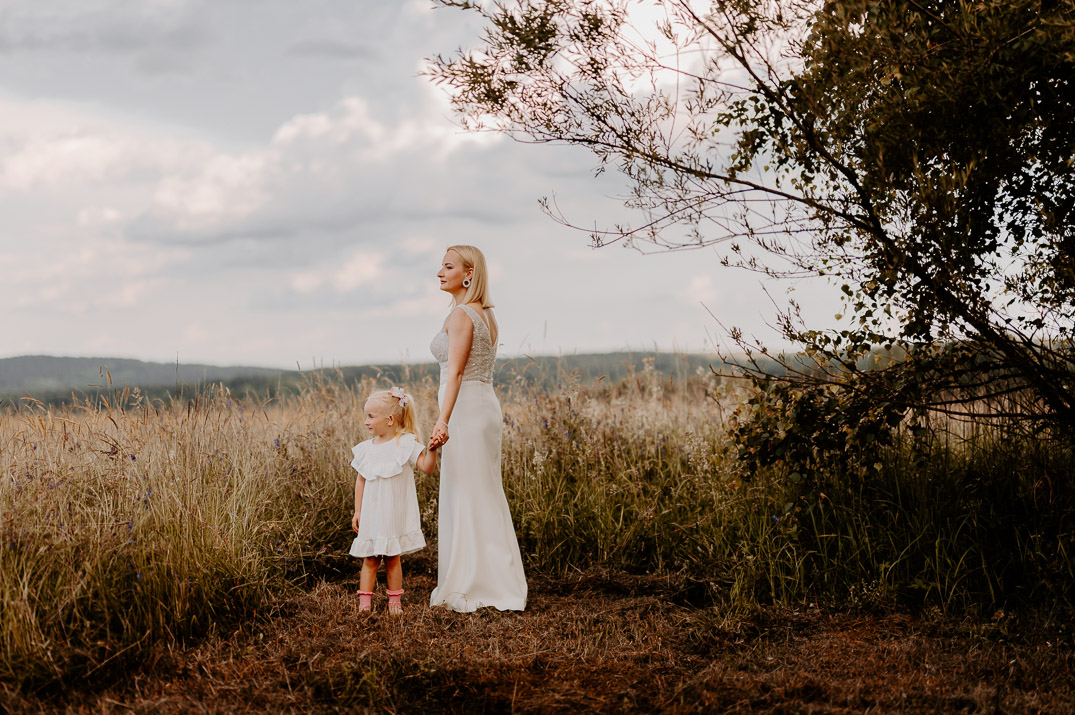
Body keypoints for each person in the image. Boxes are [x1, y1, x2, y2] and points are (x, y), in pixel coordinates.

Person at [428, 245, 527, 612]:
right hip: (483, 404)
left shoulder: (461, 315)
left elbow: (455, 372)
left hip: (465, 410)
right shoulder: (486, 315)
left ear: (468, 273)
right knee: (482, 491)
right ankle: (495, 578)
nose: (440, 272)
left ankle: (473, 581)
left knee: (467, 492)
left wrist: (442, 419)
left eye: (448, 266)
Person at [349, 386, 438, 614]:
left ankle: (395, 603)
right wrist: (358, 511)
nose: (366, 421)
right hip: (372, 513)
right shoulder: (366, 449)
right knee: (370, 559)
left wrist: (433, 450)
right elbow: (361, 481)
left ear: (389, 420)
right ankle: (364, 606)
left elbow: (427, 468)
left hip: (393, 515)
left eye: (371, 416)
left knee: (392, 558)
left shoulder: (405, 444)